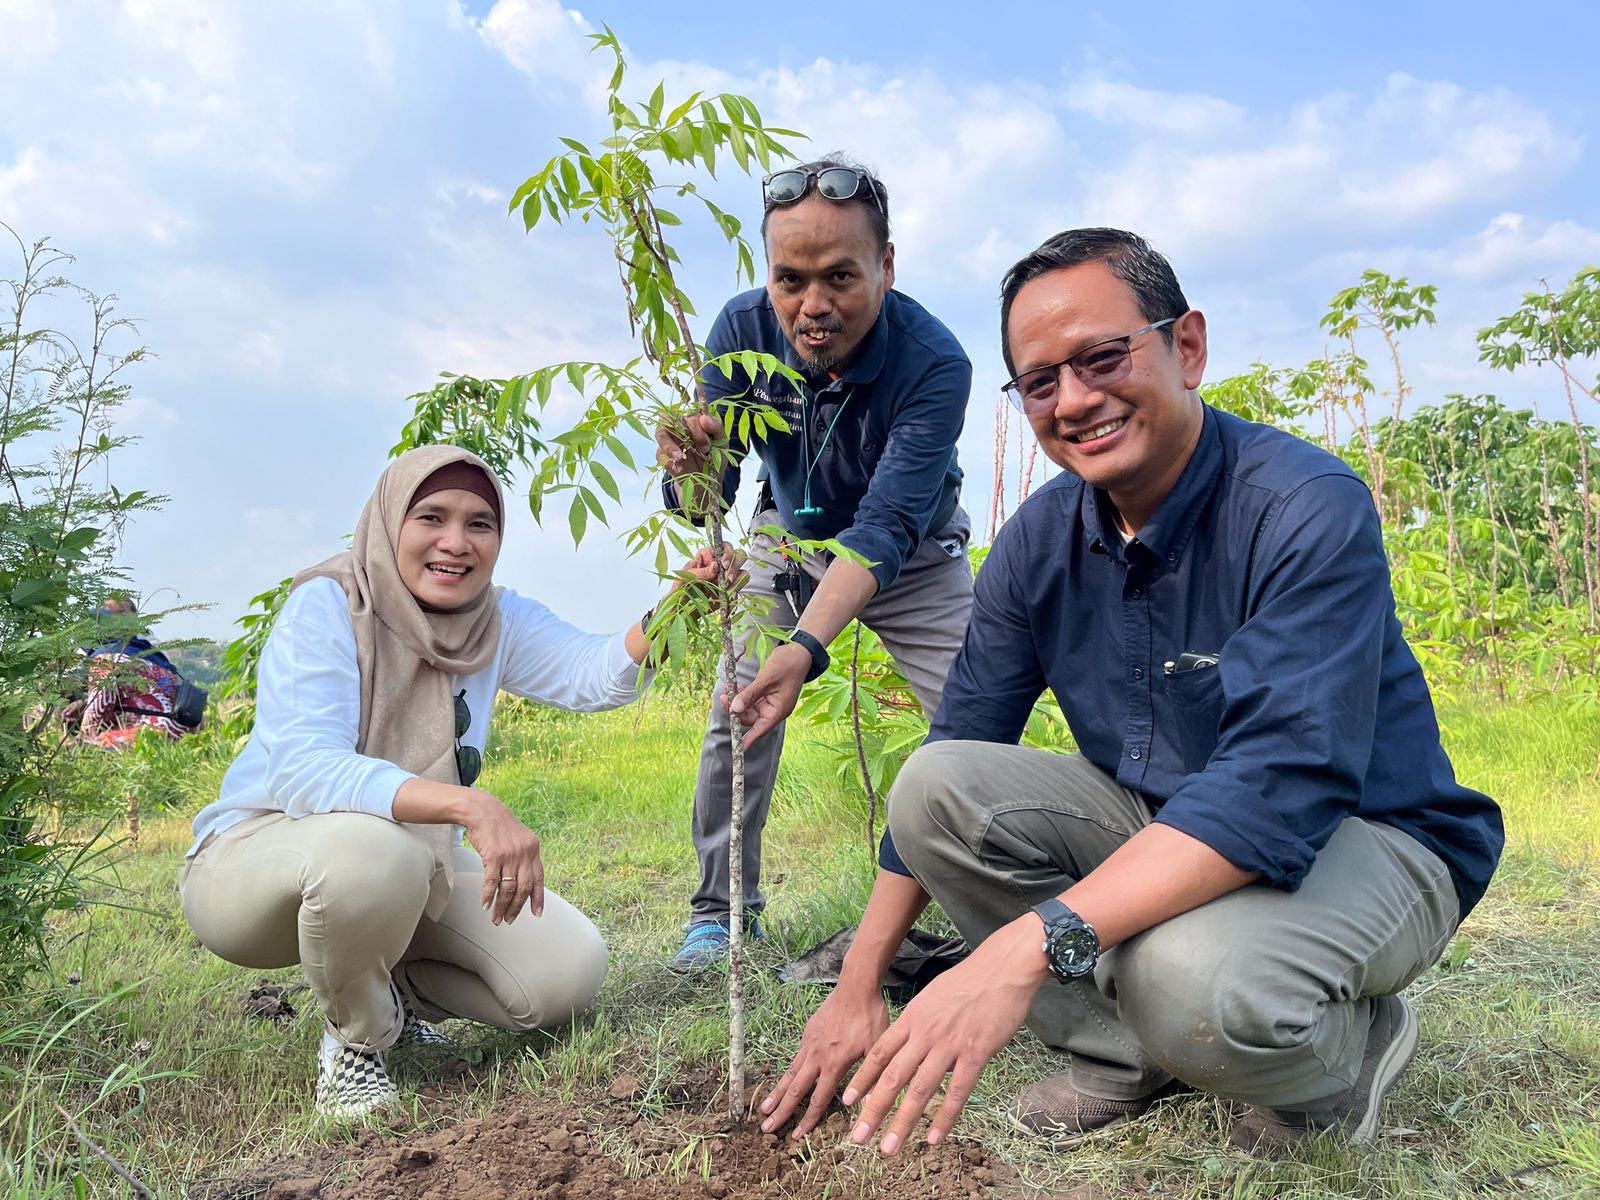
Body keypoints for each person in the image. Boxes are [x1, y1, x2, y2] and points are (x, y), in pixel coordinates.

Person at [759, 229, 1504, 1155]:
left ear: (1185, 348)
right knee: (934, 787)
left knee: (1184, 978)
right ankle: (1124, 1054)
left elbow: (1281, 788)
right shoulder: (1039, 541)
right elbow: (959, 742)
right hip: (1170, 820)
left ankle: (1344, 1055)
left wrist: (1022, 948)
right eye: (1040, 382)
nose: (1074, 400)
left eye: (1101, 357)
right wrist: (858, 982)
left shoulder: (1302, 504)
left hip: (1371, 831)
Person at [180, 446, 721, 1117]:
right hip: (254, 863)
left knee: (565, 973)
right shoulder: (330, 606)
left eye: (480, 524)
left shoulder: (495, 618)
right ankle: (354, 1046)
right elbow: (303, 769)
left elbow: (591, 676)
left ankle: (393, 1001)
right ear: (388, 522)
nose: (455, 542)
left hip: (409, 861)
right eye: (431, 517)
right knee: (379, 851)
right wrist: (470, 805)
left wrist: (677, 609)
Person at [655, 156, 976, 970]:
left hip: (911, 553)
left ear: (887, 266)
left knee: (977, 720)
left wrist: (806, 649)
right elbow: (711, 499)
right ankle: (721, 914)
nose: (813, 306)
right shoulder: (739, 333)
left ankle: (995, 909)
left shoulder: (936, 362)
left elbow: (888, 523)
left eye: (841, 275)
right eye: (790, 279)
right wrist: (687, 472)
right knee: (741, 714)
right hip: (785, 535)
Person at [75, 597, 201, 748]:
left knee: (85, 745)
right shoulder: (157, 657)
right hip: (183, 735)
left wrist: (80, 740)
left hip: (146, 738)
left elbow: (95, 718)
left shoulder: (107, 659)